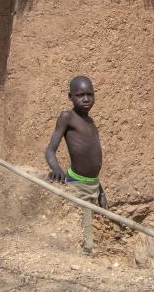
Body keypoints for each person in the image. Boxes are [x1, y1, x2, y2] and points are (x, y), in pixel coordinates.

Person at [45, 75, 107, 252]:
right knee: (85, 234)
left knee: (88, 226)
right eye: (80, 95)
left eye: (90, 94)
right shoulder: (67, 117)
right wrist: (56, 168)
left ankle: (85, 257)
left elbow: (92, 160)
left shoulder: (90, 122)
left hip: (92, 185)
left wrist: (101, 191)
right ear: (70, 96)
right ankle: (85, 261)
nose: (86, 99)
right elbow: (50, 150)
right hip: (78, 186)